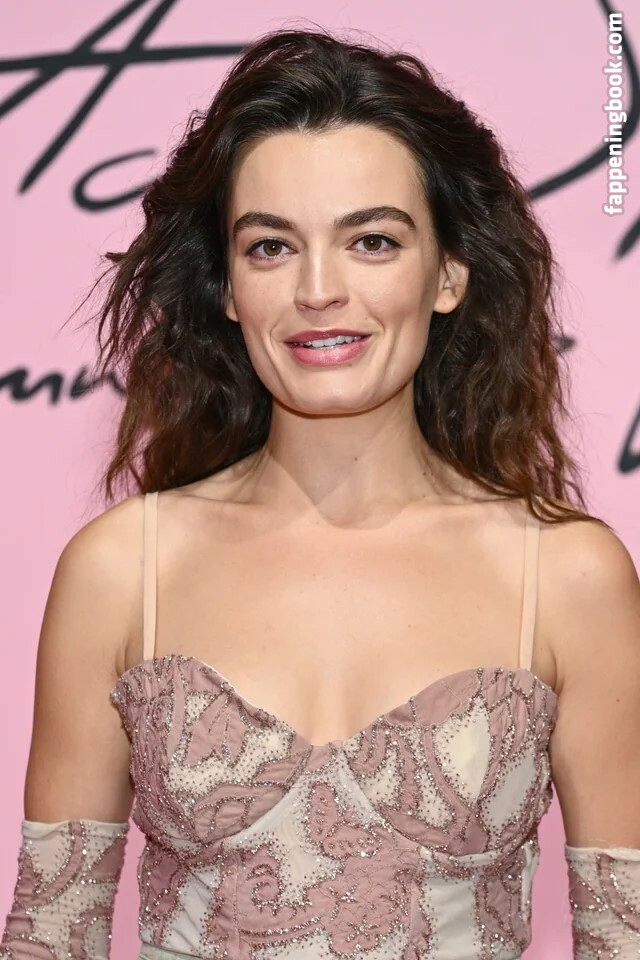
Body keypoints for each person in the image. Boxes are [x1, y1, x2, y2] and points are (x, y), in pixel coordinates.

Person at [2, 24, 639, 960]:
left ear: (448, 273)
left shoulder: (568, 577)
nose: (317, 290)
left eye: (371, 241)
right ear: (228, 288)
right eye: (270, 247)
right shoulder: (120, 571)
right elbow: (50, 940)